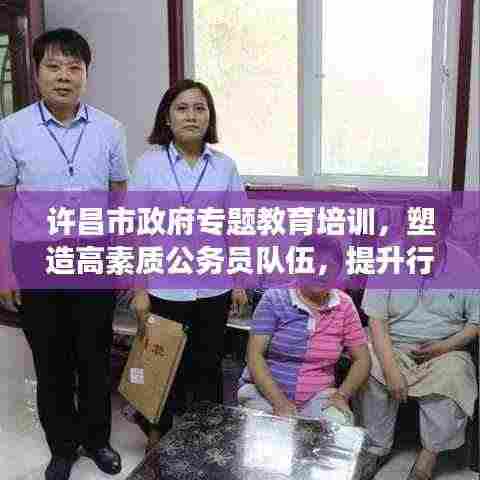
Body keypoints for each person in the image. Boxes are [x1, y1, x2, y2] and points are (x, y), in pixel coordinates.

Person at [0, 29, 129, 480]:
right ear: (36, 73)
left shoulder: (110, 129)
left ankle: (97, 440)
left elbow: (118, 195)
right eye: (53, 66)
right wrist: (5, 272)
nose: (64, 76)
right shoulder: (11, 130)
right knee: (51, 362)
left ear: (86, 75)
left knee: (94, 357)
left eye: (74, 67)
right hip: (36, 258)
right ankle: (62, 446)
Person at [130, 79, 248, 450]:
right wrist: (139, 289)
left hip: (214, 286)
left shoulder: (225, 167)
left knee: (207, 365)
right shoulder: (148, 165)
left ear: (209, 117)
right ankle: (155, 433)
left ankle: (205, 435)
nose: (191, 116)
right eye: (182, 108)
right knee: (160, 364)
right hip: (164, 286)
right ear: (167, 117)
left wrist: (239, 280)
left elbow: (236, 227)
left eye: (200, 108)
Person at [356, 198, 479, 480]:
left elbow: (475, 322)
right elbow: (376, 320)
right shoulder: (387, 259)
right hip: (392, 343)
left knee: (457, 373)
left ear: (444, 230)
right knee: (369, 364)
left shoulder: (466, 265)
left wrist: (444, 347)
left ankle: (428, 456)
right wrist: (391, 370)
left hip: (445, 348)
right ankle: (375, 448)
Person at [237, 236, 371, 424]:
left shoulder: (344, 305)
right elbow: (254, 355)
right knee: (272, 433)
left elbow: (363, 359)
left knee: (338, 424)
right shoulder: (274, 299)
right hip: (265, 394)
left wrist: (342, 395)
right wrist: (279, 402)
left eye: (329, 266)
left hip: (319, 398)